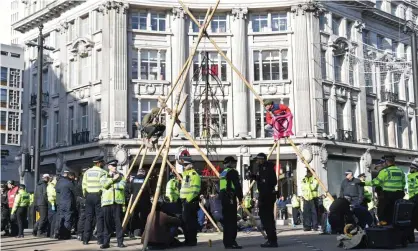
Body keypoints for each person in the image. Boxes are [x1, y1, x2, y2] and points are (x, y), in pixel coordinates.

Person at [365, 155, 405, 225]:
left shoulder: (385, 171)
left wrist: (364, 183)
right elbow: (403, 183)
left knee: (382, 214)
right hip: (399, 196)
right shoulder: (400, 171)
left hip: (387, 196)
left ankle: (384, 229)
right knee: (395, 214)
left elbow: (376, 182)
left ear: (386, 162)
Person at [250, 153, 278, 247]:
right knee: (266, 217)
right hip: (266, 195)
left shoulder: (266, 168)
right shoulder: (262, 168)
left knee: (267, 218)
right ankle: (271, 239)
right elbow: (262, 179)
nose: (257, 161)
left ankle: (272, 240)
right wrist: (254, 177)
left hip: (267, 196)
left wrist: (263, 184)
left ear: (262, 159)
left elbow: (271, 181)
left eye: (258, 160)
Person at [99, 159, 126, 249]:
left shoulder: (121, 175)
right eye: (113, 166)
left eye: (115, 166)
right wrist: (113, 180)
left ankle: (120, 242)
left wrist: (113, 184)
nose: (115, 167)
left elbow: (123, 186)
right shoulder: (104, 175)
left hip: (117, 202)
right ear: (108, 166)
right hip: (107, 202)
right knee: (107, 223)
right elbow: (104, 185)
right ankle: (106, 242)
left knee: (118, 223)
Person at [219, 156, 243, 249]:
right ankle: (232, 242)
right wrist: (240, 198)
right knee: (232, 221)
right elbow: (237, 185)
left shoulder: (223, 172)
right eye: (233, 162)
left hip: (224, 198)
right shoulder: (233, 172)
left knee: (227, 221)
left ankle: (227, 242)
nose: (234, 164)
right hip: (230, 197)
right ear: (230, 163)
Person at [82, 156, 107, 245]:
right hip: (98, 196)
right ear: (99, 163)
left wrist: (86, 195)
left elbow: (84, 185)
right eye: (102, 162)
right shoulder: (102, 172)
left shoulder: (87, 172)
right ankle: (99, 239)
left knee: (88, 218)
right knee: (99, 218)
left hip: (89, 197)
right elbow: (104, 185)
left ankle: (85, 239)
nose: (103, 164)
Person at [179, 156, 201, 247]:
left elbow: (195, 189)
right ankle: (188, 240)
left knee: (190, 222)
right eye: (183, 165)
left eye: (186, 165)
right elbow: (186, 187)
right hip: (185, 201)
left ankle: (192, 240)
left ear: (190, 165)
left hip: (190, 201)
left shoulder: (194, 175)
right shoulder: (187, 175)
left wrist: (188, 200)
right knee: (186, 222)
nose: (184, 166)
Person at [130, 169, 152, 237]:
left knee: (133, 216)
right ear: (144, 173)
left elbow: (130, 190)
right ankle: (143, 232)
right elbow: (149, 190)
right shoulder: (146, 180)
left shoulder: (133, 180)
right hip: (144, 201)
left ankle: (131, 232)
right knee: (144, 217)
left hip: (134, 201)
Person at [56, 171, 76, 239]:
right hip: (68, 202)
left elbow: (57, 190)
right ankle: (66, 234)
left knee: (61, 218)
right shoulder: (69, 183)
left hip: (61, 202)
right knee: (68, 218)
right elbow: (74, 192)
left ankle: (60, 234)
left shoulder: (59, 183)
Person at [76, 167, 88, 241]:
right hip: (84, 200)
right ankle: (81, 233)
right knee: (83, 217)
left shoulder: (80, 179)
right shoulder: (83, 180)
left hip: (81, 200)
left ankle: (80, 233)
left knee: (82, 217)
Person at [407, 160, 418, 231]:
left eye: (412, 168)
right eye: (410, 167)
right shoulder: (410, 176)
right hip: (412, 198)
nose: (410, 169)